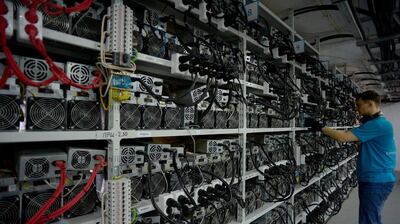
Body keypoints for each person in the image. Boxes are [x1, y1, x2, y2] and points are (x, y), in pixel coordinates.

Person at [309, 90, 396, 224]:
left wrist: (321, 127)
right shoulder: (380, 123)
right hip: (377, 178)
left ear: (371, 104)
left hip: (375, 180)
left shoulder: (377, 124)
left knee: (369, 220)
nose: (357, 109)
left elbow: (343, 137)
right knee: (372, 218)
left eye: (360, 105)